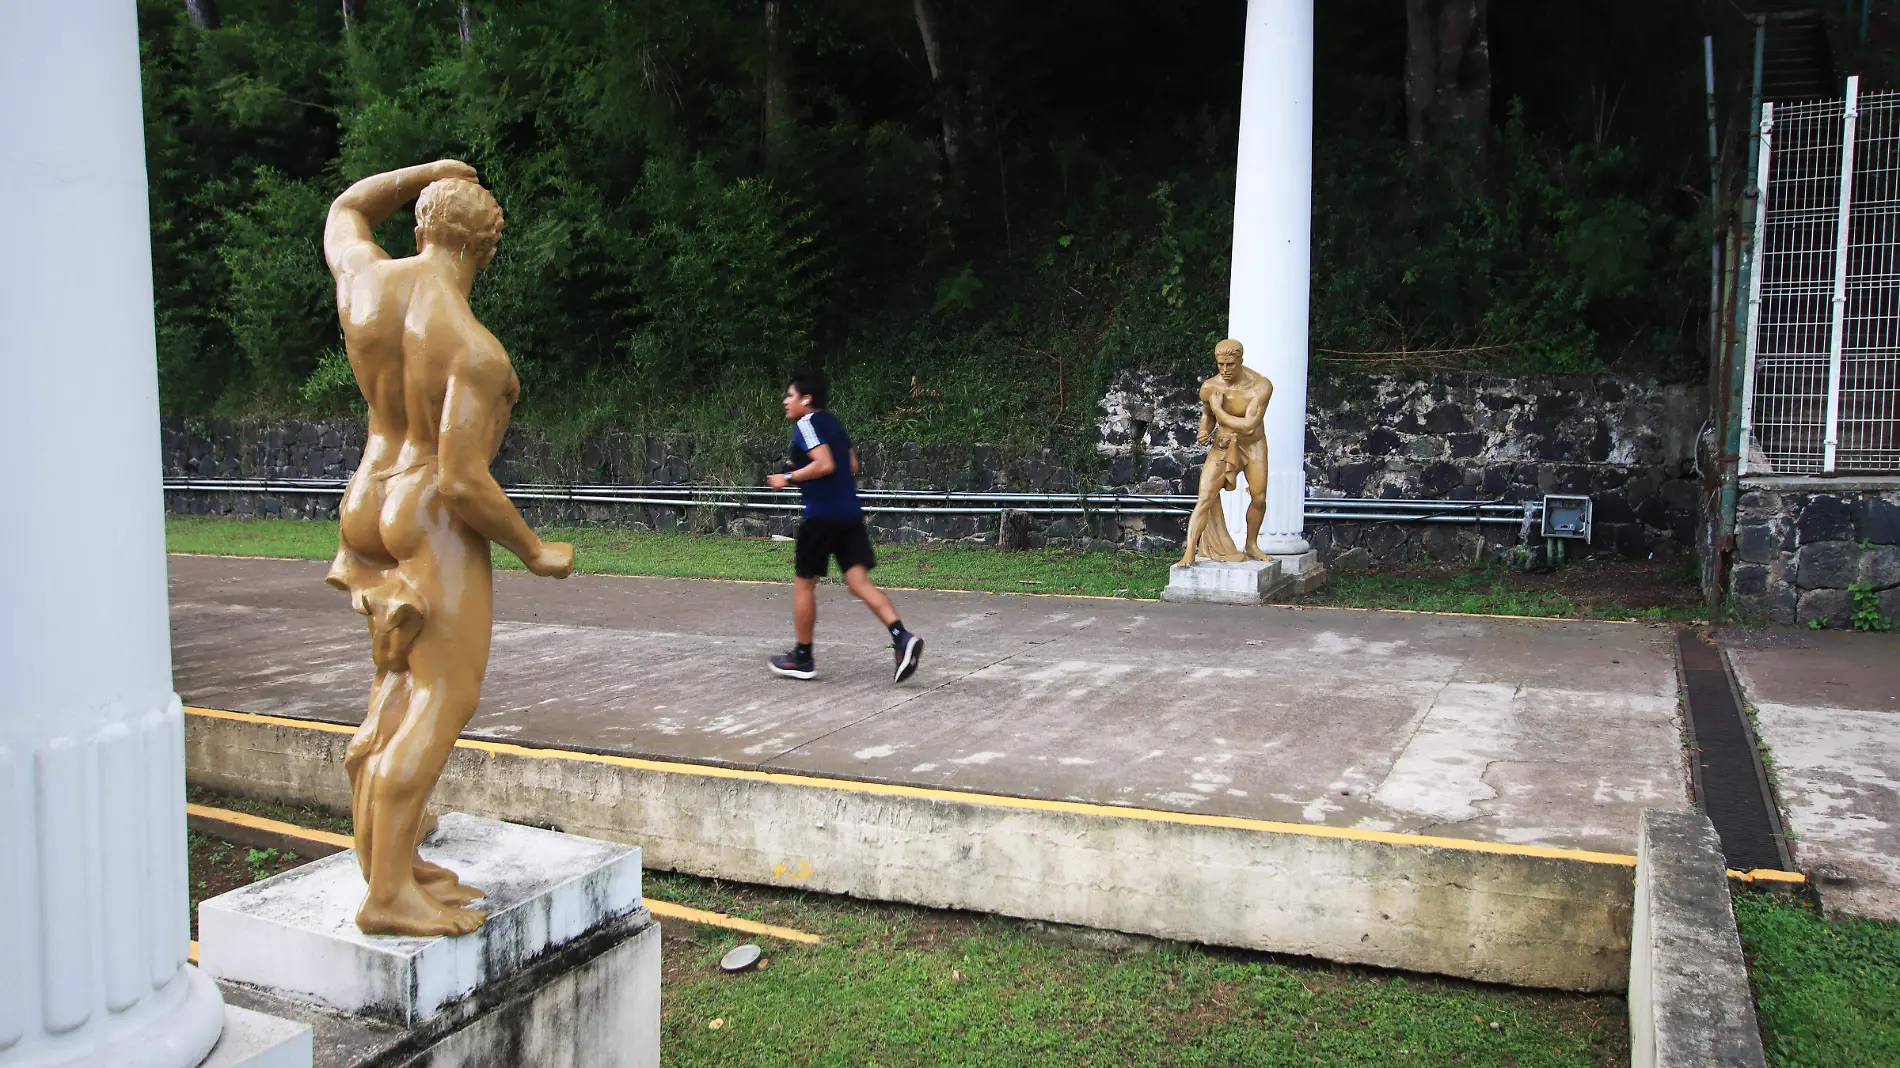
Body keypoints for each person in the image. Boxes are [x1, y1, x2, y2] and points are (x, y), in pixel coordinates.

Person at [323, 159, 574, 935]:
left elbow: (346, 207)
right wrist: (534, 549)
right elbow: (465, 482)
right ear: (487, 249)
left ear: (422, 223)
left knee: (398, 686)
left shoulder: (365, 282)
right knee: (443, 697)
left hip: (366, 501)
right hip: (425, 511)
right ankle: (389, 896)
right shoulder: (474, 350)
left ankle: (387, 863)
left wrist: (425, 170)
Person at [765, 370, 923, 682]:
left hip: (821, 518)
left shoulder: (806, 423)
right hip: (848, 515)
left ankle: (803, 657)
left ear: (806, 399)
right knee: (858, 582)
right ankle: (902, 637)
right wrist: (801, 466)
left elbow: (825, 464)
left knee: (804, 584)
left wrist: (787, 478)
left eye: (790, 395)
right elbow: (850, 465)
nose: (786, 401)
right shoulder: (834, 424)